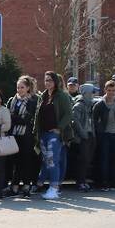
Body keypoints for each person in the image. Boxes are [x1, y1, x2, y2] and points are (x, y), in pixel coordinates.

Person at [36, 71, 73, 200]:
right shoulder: (43, 96)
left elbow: (69, 114)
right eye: (46, 80)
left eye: (50, 80)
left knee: (53, 161)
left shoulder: (62, 96)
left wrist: (59, 128)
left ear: (55, 82)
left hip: (55, 134)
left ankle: (54, 188)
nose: (47, 83)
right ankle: (41, 183)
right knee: (46, 161)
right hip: (43, 133)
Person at [92, 79, 115, 191]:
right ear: (105, 90)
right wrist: (99, 131)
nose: (111, 92)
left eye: (113, 90)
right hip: (104, 136)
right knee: (104, 159)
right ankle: (104, 183)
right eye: (109, 90)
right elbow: (93, 120)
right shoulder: (99, 104)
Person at [8, 76, 39, 196]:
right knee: (16, 161)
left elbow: (27, 120)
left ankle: (26, 185)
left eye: (22, 87)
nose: (19, 90)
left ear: (28, 88)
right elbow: (9, 117)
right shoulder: (12, 100)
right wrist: (17, 118)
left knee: (26, 161)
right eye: (18, 87)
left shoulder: (32, 101)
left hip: (26, 135)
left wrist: (15, 118)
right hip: (14, 134)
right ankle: (14, 186)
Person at [70, 83, 97, 192]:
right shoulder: (78, 105)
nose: (94, 95)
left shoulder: (90, 104)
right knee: (83, 160)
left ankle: (84, 181)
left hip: (90, 135)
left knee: (88, 160)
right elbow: (74, 121)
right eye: (92, 92)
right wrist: (83, 134)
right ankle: (80, 182)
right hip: (82, 137)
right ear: (86, 93)